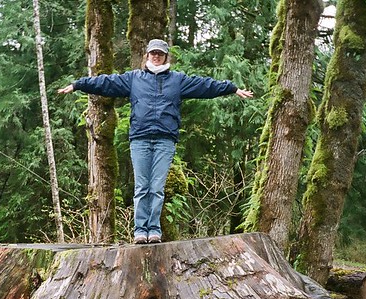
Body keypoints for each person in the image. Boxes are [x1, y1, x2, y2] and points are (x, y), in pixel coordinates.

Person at [59, 38, 253, 244]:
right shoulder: (134, 78)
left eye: (160, 53)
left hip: (165, 141)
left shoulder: (178, 80)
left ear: (166, 56)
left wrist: (231, 88)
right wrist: (78, 84)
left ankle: (154, 230)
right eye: (153, 53)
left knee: (157, 187)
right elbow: (106, 82)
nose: (156, 56)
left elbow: (204, 85)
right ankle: (140, 231)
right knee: (142, 187)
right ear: (147, 55)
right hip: (140, 140)